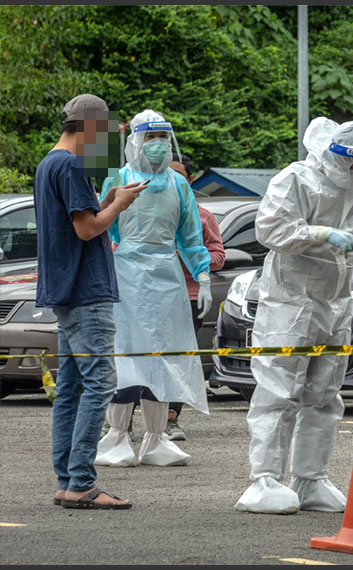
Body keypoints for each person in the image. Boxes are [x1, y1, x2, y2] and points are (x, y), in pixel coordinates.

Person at [234, 117, 353, 514]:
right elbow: (270, 229)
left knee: (325, 395)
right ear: (336, 158)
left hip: (335, 300)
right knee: (278, 391)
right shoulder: (296, 179)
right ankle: (264, 480)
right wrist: (321, 233)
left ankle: (310, 478)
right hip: (290, 301)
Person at [35, 94, 144, 509]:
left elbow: (77, 219)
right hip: (85, 290)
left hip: (64, 289)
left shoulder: (50, 163)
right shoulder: (72, 166)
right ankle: (81, 480)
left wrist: (107, 199)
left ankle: (68, 480)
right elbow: (87, 229)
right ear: (90, 128)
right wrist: (119, 204)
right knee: (99, 384)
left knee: (72, 387)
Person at [95, 110, 212, 468]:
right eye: (150, 138)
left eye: (163, 137)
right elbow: (104, 228)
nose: (158, 145)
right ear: (135, 141)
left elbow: (191, 236)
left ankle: (156, 438)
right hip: (127, 275)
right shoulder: (119, 178)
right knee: (126, 354)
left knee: (164, 358)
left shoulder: (179, 184)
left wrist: (203, 275)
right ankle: (116, 436)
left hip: (167, 277)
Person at [168, 153, 226, 440]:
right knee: (139, 356)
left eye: (178, 176)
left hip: (189, 297)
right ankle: (121, 422)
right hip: (148, 296)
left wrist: (193, 259)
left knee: (179, 358)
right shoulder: (143, 209)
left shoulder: (203, 216)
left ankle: (170, 418)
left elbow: (218, 256)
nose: (171, 181)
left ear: (190, 180)